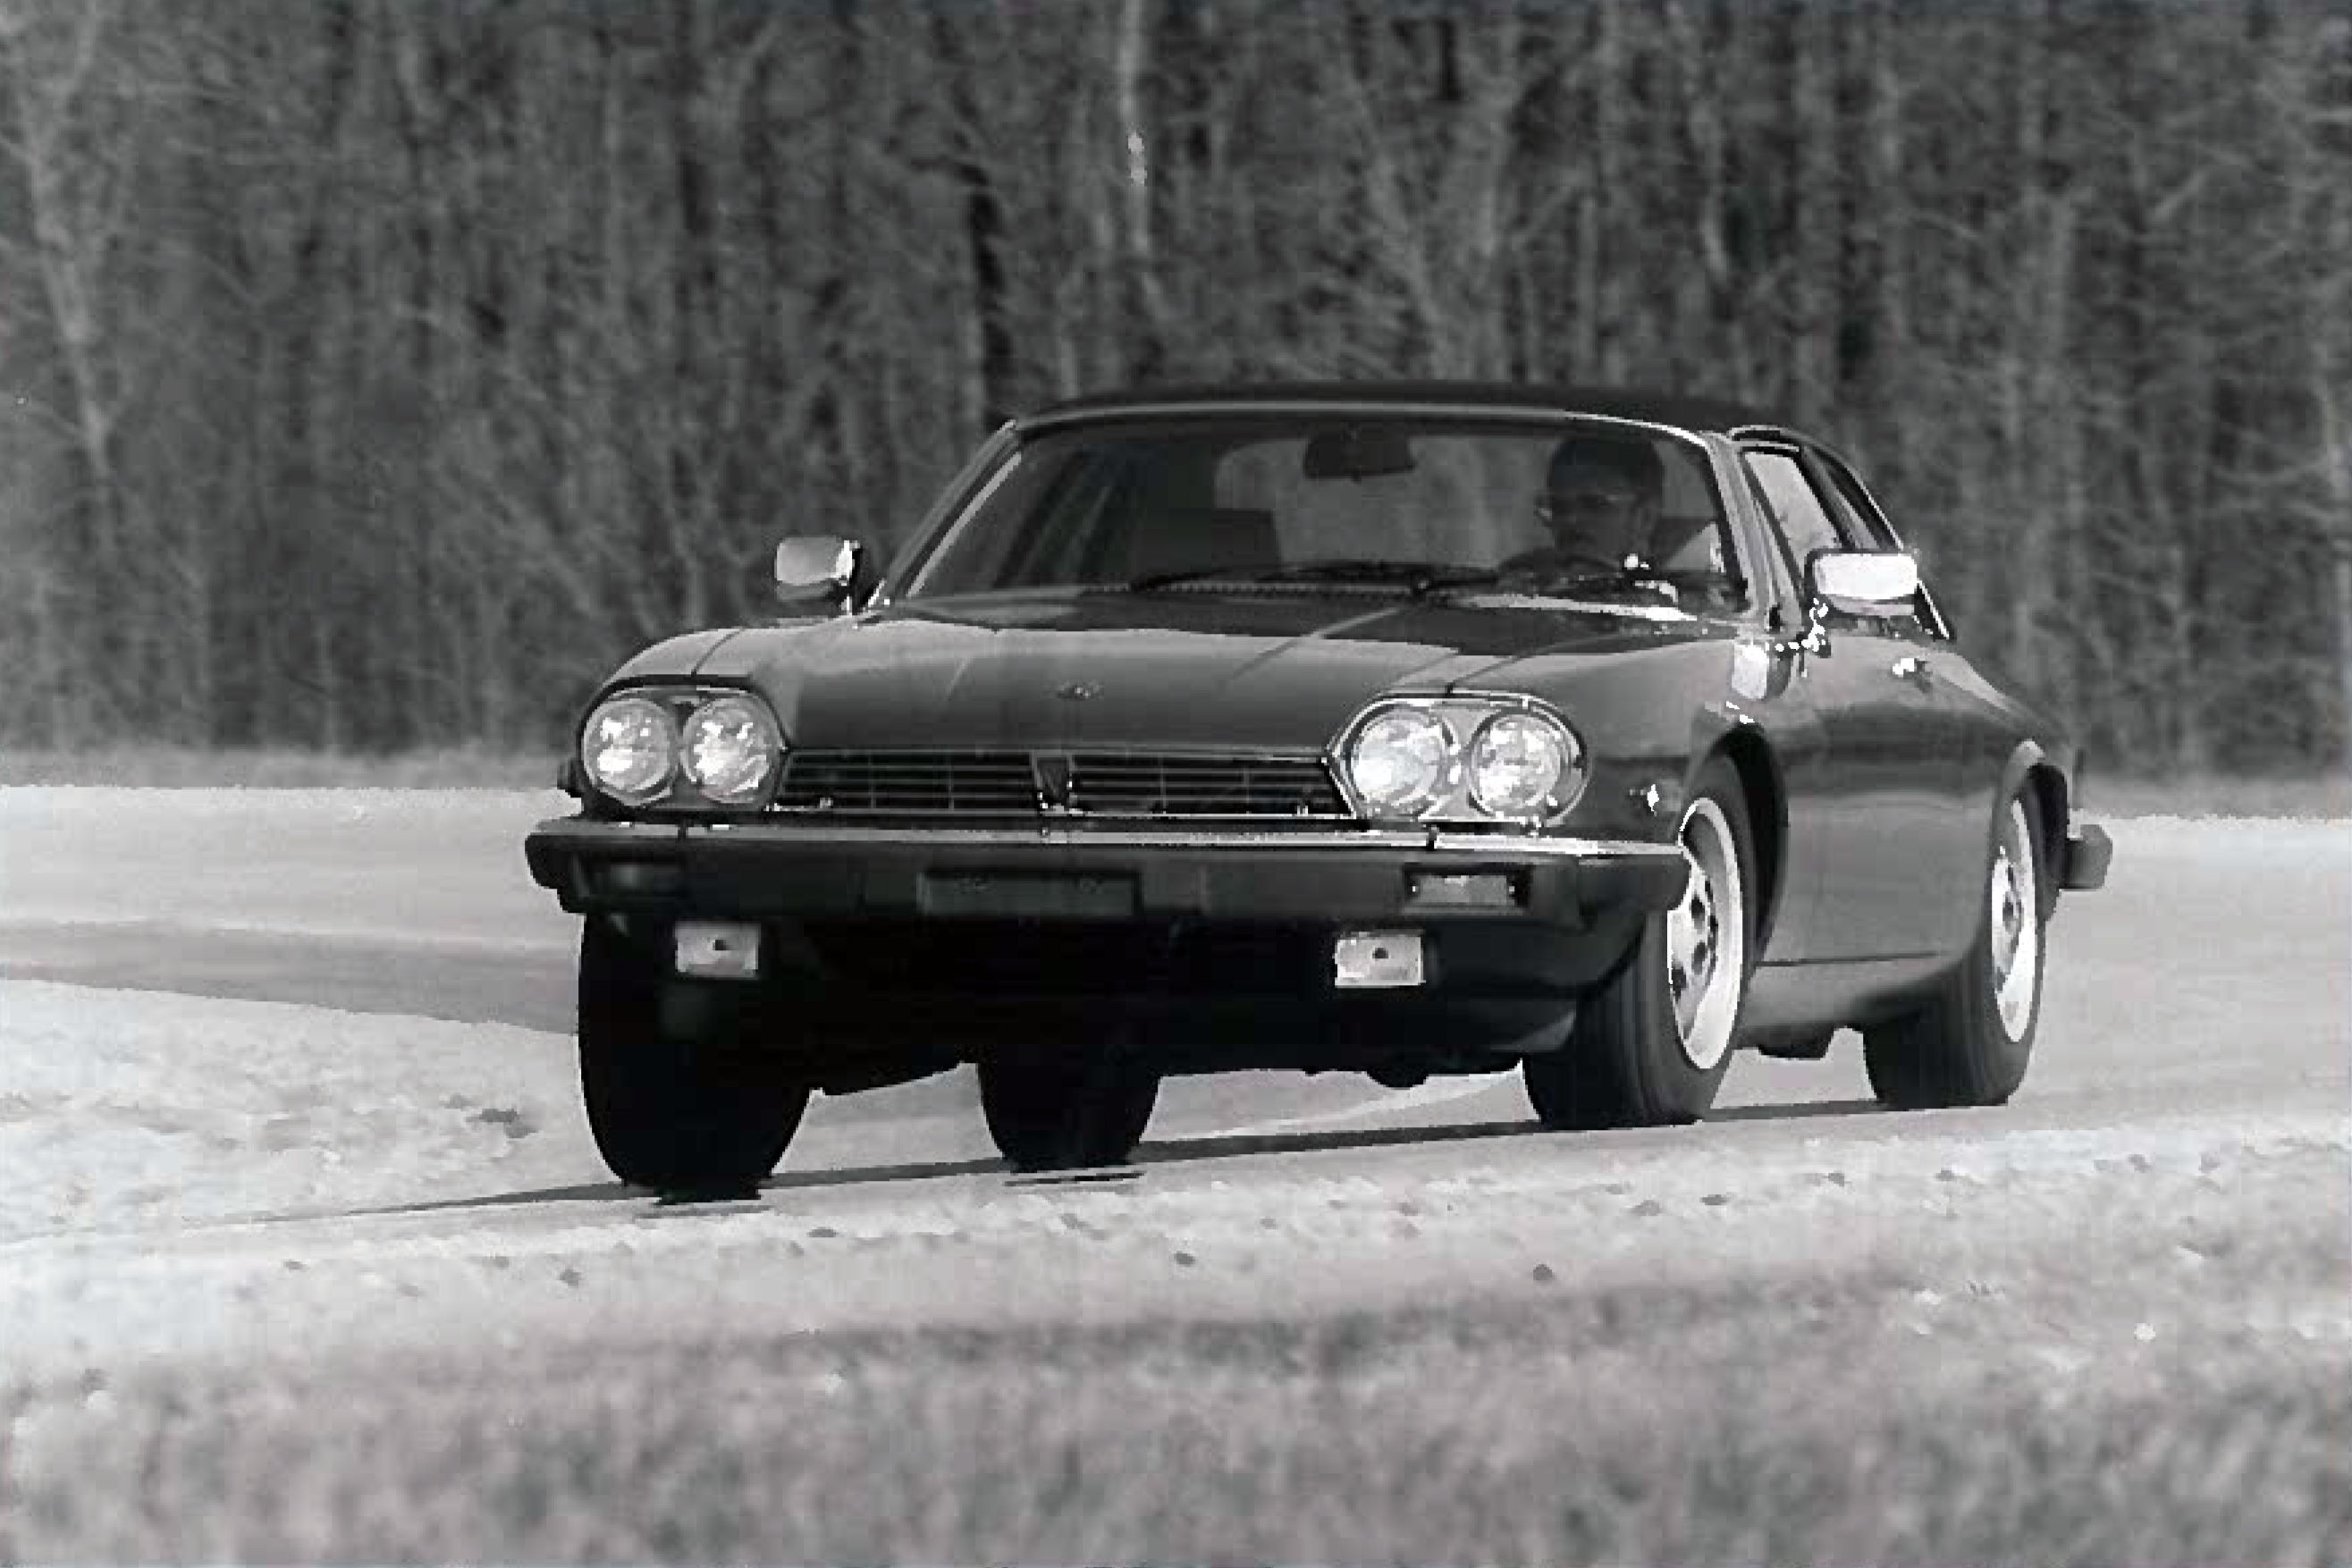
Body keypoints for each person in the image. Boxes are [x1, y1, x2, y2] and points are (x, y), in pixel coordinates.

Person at [1503, 434, 1665, 578]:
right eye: (1559, 507)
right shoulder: (1523, 581)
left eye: (1595, 505)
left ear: (1645, 517)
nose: (1570, 520)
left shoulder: (1677, 597)